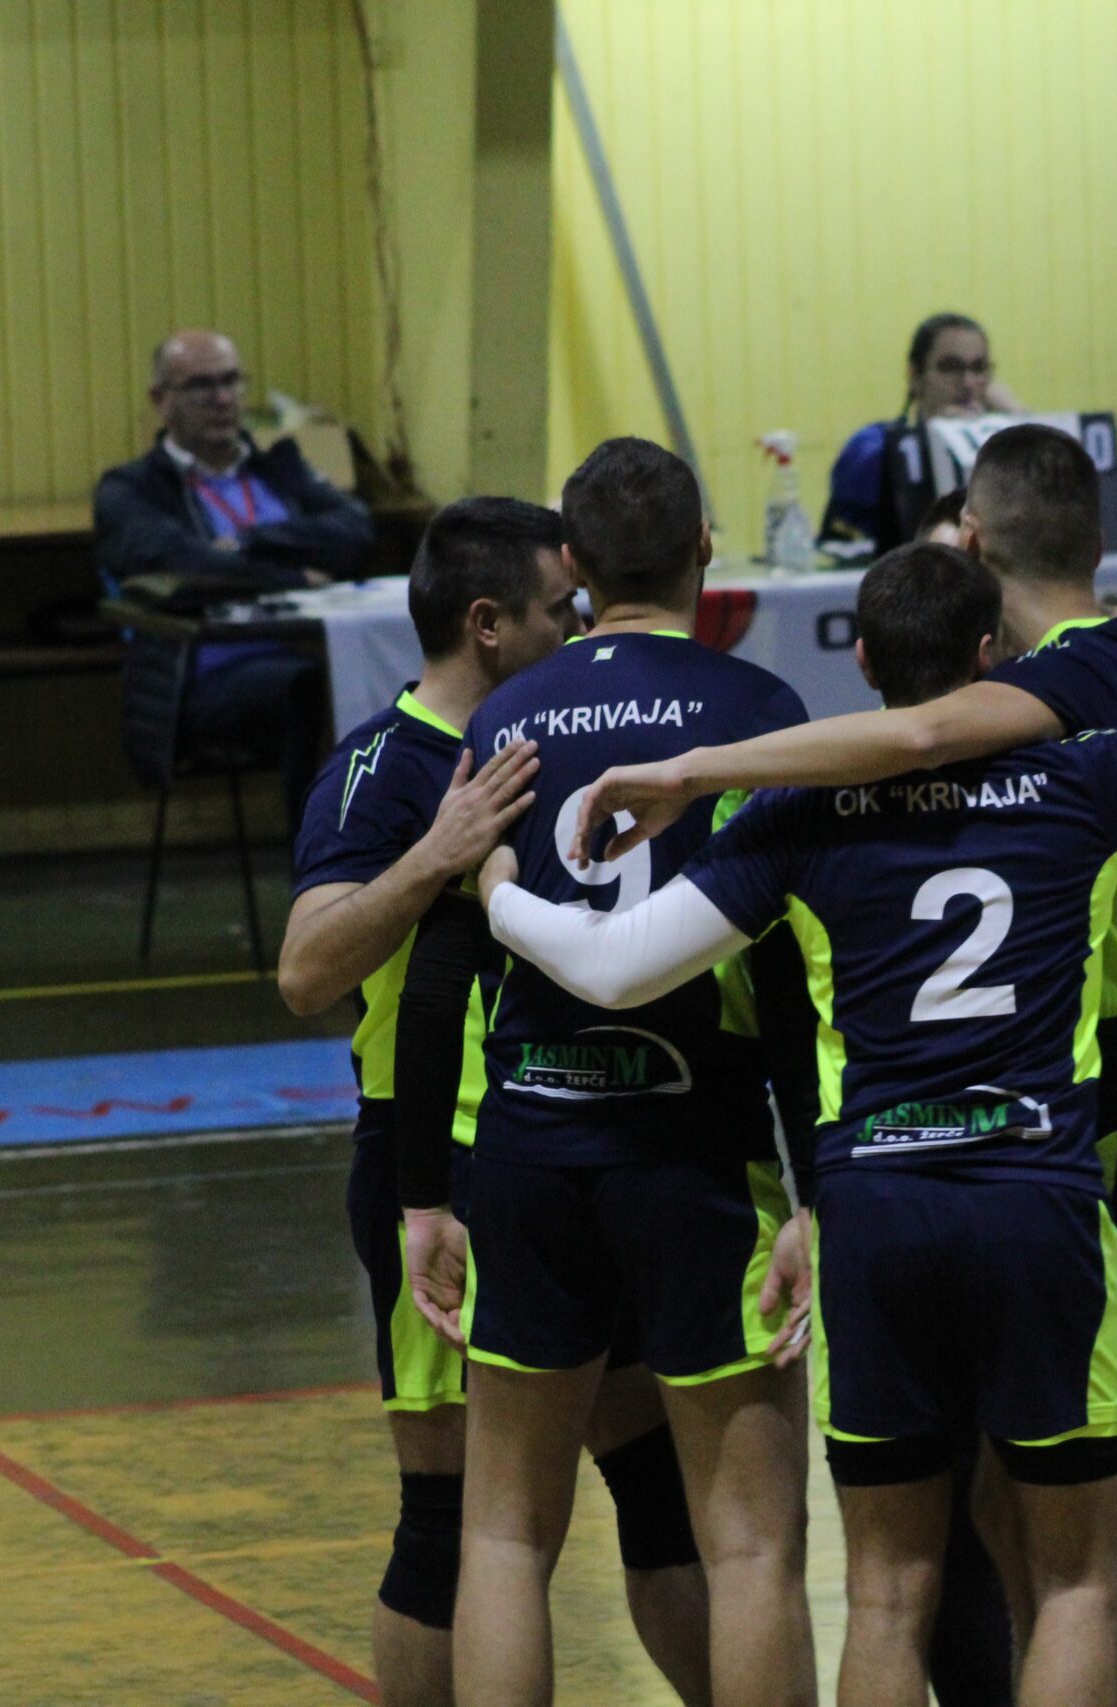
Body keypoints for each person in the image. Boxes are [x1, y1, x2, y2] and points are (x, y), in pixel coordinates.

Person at [566, 425, 1117, 1706]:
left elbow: (910, 742)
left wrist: (684, 775)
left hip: (1064, 1128)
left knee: (973, 1555)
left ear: (973, 551)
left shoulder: (1038, 705)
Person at [394, 440, 818, 1707]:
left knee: (504, 1536)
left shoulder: (505, 717)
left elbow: (439, 974)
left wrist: (424, 1192)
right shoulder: (760, 711)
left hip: (530, 1151)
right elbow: (791, 985)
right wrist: (819, 1189)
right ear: (706, 548)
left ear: (573, 565)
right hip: (697, 1153)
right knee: (750, 1548)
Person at [277, 497, 717, 1705]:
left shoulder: (566, 738)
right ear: (485, 624)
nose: (579, 628)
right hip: (442, 1166)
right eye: (558, 610)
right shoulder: (384, 768)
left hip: (577, 1145)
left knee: (656, 1488)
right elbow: (306, 972)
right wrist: (436, 853)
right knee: (452, 1518)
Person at [94, 329, 375, 826]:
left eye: (231, 382)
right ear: (160, 401)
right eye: (201, 386)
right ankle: (322, 863)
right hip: (199, 677)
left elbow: (354, 531)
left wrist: (248, 542)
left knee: (388, 675)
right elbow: (184, 562)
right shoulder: (131, 490)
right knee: (315, 687)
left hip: (306, 645)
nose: (222, 399)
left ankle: (389, 855)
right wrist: (293, 574)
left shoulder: (278, 468)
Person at [820, 314, 1022, 559]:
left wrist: (1017, 418)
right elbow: (843, 549)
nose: (968, 383)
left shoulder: (1001, 449)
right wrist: (936, 435)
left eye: (978, 368)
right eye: (950, 368)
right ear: (915, 376)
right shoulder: (876, 447)